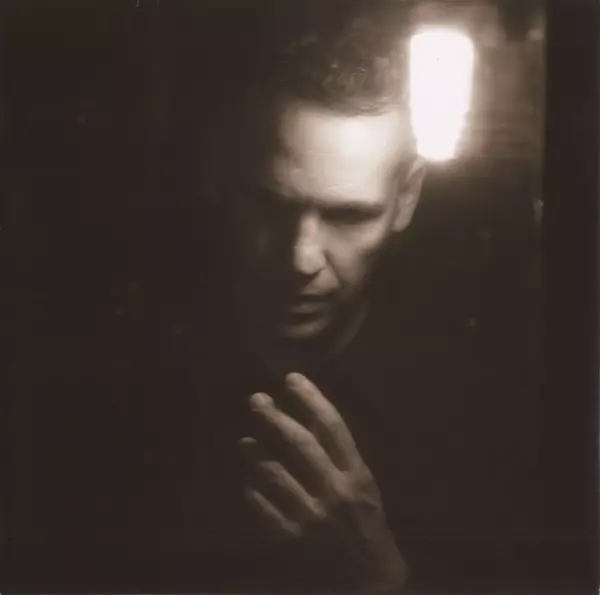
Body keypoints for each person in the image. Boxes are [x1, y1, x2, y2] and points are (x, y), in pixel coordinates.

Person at [7, 1, 543, 594]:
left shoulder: (488, 424)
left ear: (407, 198)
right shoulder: (87, 397)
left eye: (348, 216)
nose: (300, 258)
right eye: (269, 205)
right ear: (215, 174)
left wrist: (379, 581)